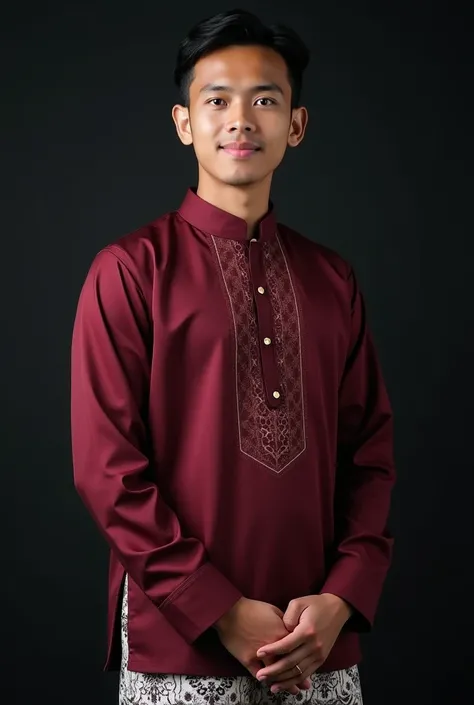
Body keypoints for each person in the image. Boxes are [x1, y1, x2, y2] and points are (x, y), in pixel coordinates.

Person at [71, 8, 396, 705]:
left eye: (265, 99)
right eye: (216, 99)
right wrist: (219, 608)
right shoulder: (130, 271)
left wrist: (342, 596)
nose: (241, 119)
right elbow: (107, 470)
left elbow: (370, 454)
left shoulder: (331, 279)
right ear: (185, 122)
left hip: (316, 641)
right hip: (180, 640)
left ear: (297, 126)